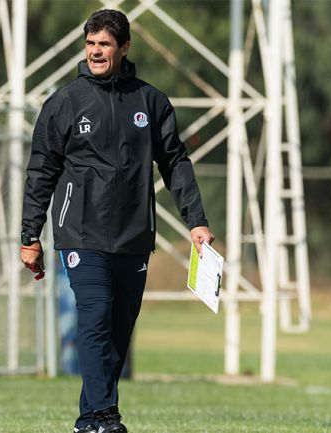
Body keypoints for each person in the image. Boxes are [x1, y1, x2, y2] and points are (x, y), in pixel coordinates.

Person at [19, 9, 214, 433]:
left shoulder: (151, 102)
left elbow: (175, 163)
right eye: (90, 45)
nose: (95, 52)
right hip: (80, 234)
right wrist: (29, 234)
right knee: (94, 315)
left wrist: (195, 221)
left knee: (118, 330)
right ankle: (107, 416)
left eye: (104, 44)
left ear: (124, 48)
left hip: (133, 237)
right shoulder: (66, 102)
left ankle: (89, 420)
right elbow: (40, 171)